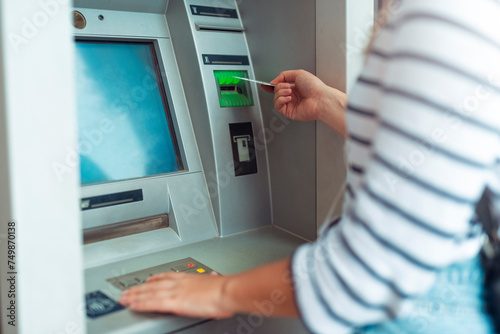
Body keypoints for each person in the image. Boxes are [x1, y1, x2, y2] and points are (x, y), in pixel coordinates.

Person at [119, 0, 500, 332]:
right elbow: (429, 150)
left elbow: (372, 271)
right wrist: (327, 103)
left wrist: (220, 291)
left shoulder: (441, 18)